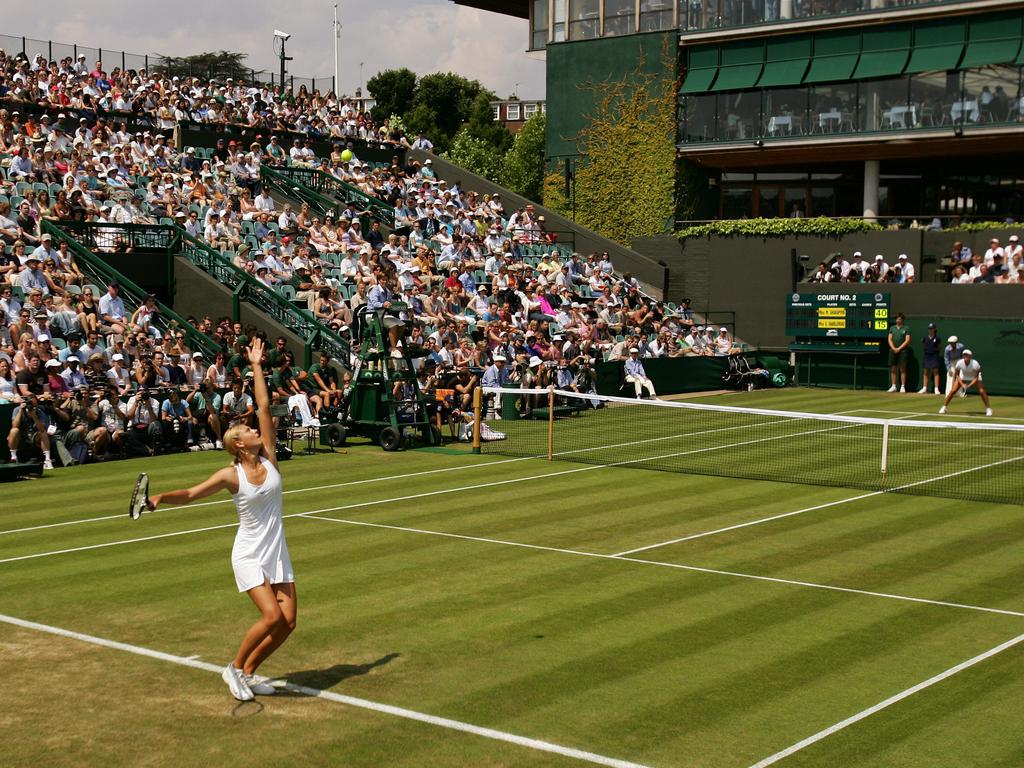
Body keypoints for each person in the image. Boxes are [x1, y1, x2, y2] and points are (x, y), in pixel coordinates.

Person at [147, 339, 296, 701]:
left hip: (276, 550)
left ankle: (248, 672)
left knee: (288, 622)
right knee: (272, 618)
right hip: (247, 553)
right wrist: (162, 498)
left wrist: (257, 366)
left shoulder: (270, 458)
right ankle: (233, 668)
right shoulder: (231, 475)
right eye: (248, 431)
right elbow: (193, 493)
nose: (255, 429)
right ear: (239, 444)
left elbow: (262, 404)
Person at [939, 349, 993, 417]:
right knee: (953, 391)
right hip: (963, 376)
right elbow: (957, 375)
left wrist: (969, 385)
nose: (965, 356)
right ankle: (944, 407)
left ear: (970, 357)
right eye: (964, 355)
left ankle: (988, 409)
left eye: (967, 355)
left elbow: (976, 377)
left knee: (982, 391)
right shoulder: (959, 363)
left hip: (974, 377)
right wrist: (962, 384)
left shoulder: (975, 364)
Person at [886, 312, 910, 393]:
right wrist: (893, 348)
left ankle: (903, 386)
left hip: (903, 351)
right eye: (897, 319)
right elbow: (889, 339)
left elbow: (907, 340)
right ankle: (893, 386)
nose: (898, 320)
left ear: (902, 320)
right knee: (893, 368)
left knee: (902, 369)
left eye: (899, 319)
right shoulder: (892, 328)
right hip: (893, 351)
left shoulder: (906, 328)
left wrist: (899, 348)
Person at [918, 323, 942, 395]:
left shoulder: (937, 338)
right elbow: (924, 346)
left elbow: (939, 347)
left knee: (936, 372)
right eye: (929, 329)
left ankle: (936, 389)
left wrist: (935, 351)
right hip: (927, 356)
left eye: (932, 328)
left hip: (934, 356)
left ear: (934, 329)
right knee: (926, 372)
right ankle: (924, 388)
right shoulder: (924, 338)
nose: (930, 330)